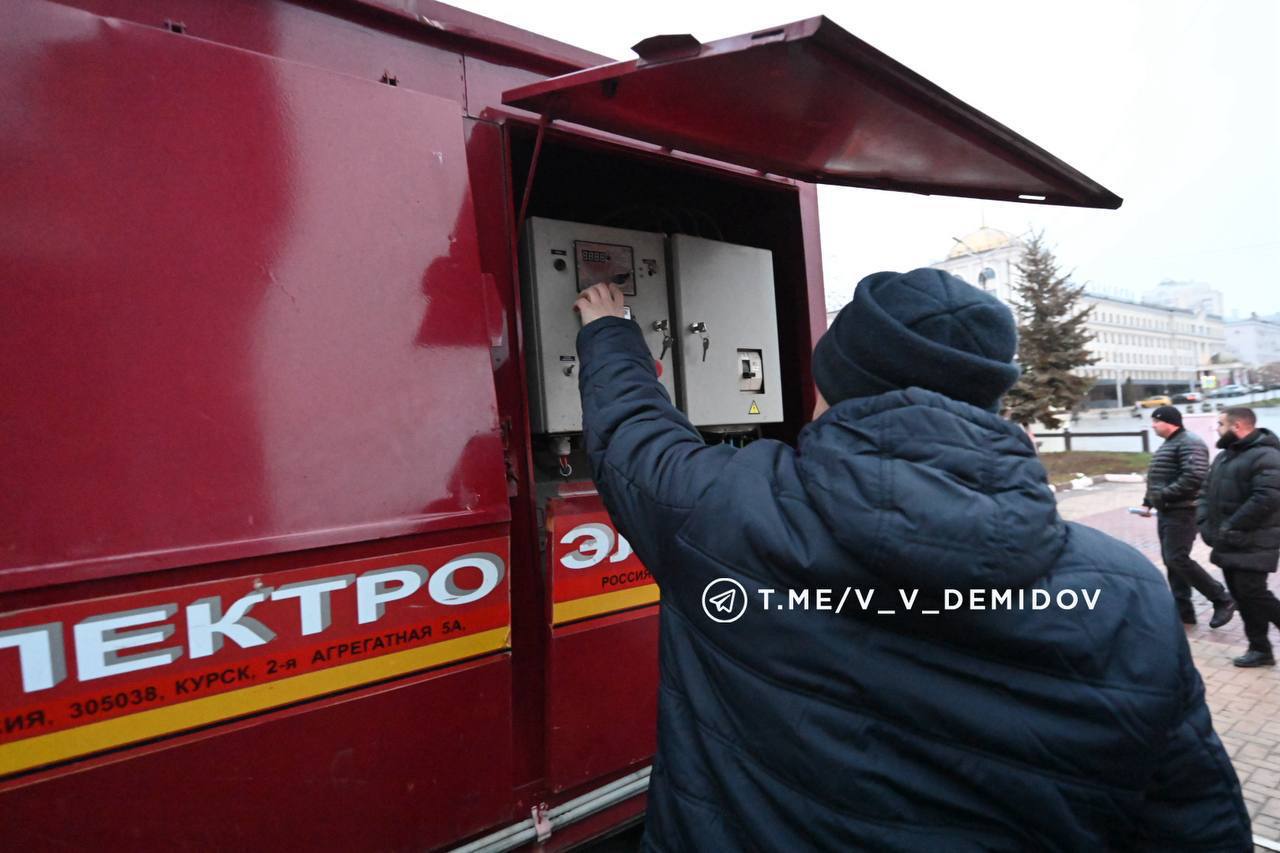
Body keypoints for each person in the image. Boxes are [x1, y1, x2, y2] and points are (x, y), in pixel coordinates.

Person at [573, 269, 1248, 850]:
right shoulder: (1123, 592)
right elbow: (1193, 819)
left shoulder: (724, 508)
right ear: (986, 398)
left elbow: (635, 438)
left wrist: (609, 329)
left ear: (832, 388)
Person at [1198, 407, 1280, 667]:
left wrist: (1230, 525)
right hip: (1228, 541)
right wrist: (1204, 522)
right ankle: (1260, 649)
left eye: (1221, 424)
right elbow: (1205, 491)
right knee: (1243, 597)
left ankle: (1260, 647)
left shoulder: (1266, 455)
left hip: (1254, 541)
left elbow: (1267, 498)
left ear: (1238, 426)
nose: (1217, 429)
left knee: (1253, 593)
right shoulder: (1224, 457)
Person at [1143, 405, 1236, 627]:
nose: (1153, 425)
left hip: (1183, 510)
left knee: (1177, 558)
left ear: (1169, 422)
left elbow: (1194, 477)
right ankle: (1183, 612)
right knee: (1171, 560)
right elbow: (1159, 476)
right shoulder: (1169, 444)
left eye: (1156, 421)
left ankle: (1222, 599)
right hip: (1167, 510)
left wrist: (1163, 496)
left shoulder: (1189, 442)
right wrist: (1148, 501)